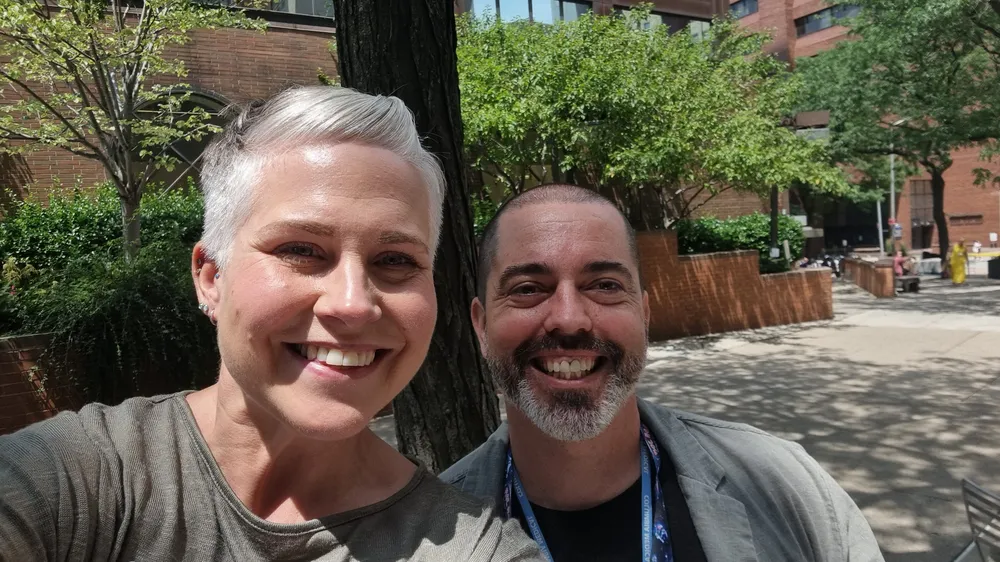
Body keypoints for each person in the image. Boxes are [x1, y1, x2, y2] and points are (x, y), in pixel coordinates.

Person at [0, 86, 541, 561]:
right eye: (301, 250)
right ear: (211, 277)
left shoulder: (474, 548)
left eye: (395, 260)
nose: (353, 304)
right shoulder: (71, 478)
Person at [441, 183, 885, 562]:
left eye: (605, 286)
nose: (570, 319)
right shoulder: (424, 538)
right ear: (482, 326)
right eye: (527, 289)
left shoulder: (788, 485)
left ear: (645, 314)